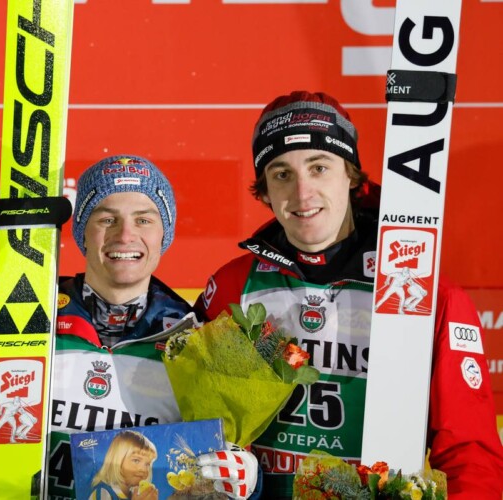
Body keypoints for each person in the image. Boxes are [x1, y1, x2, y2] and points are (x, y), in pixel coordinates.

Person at [195, 90, 503, 498]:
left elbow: (471, 454)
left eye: (319, 167)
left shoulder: (424, 294)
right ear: (264, 191)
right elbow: (199, 435)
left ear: (352, 176)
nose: (302, 193)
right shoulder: (234, 286)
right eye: (282, 174)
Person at [0, 155, 261, 499]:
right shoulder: (21, 316)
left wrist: (247, 477)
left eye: (144, 220)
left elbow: (220, 465)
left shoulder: (196, 340)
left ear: (165, 234)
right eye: (107, 218)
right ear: (82, 231)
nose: (125, 235)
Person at [89, 430, 158, 500]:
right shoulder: (103, 493)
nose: (143, 469)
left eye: (147, 464)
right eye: (136, 460)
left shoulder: (134, 495)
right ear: (117, 461)